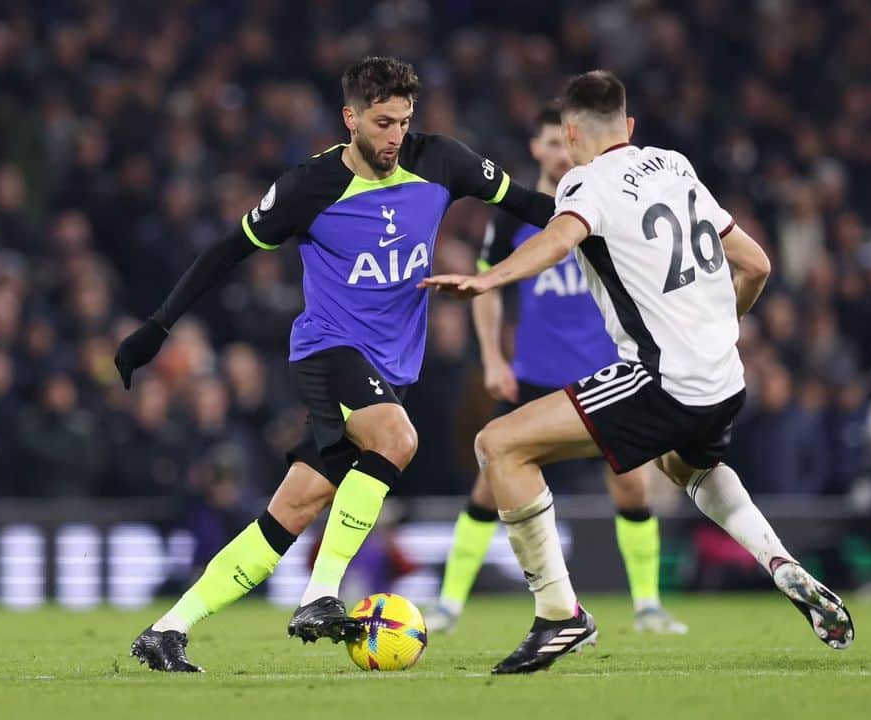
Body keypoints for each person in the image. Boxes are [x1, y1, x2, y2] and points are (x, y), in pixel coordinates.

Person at [115, 56, 555, 672]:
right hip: (328, 352)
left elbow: (530, 202)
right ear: (349, 118)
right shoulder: (309, 187)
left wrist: (596, 224)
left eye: (403, 121)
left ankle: (167, 630)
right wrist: (158, 326)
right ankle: (321, 594)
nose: (395, 136)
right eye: (381, 122)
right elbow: (226, 252)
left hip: (390, 370)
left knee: (291, 509)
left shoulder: (444, 162)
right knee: (399, 439)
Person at [422, 70, 854, 674]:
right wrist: (714, 328)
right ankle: (780, 561)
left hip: (662, 380)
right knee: (688, 467)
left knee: (499, 446)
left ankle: (558, 616)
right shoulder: (675, 166)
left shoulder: (584, 183)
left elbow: (556, 239)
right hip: (725, 378)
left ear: (570, 133)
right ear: (629, 127)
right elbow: (755, 265)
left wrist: (489, 278)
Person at [426, 104, 685, 635]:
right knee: (487, 487)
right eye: (547, 143)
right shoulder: (514, 214)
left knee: (632, 488)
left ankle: (648, 606)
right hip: (534, 376)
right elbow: (488, 289)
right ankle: (449, 604)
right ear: (535, 148)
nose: (557, 152)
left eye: (562, 143)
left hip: (606, 371)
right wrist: (494, 357)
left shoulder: (602, 201)